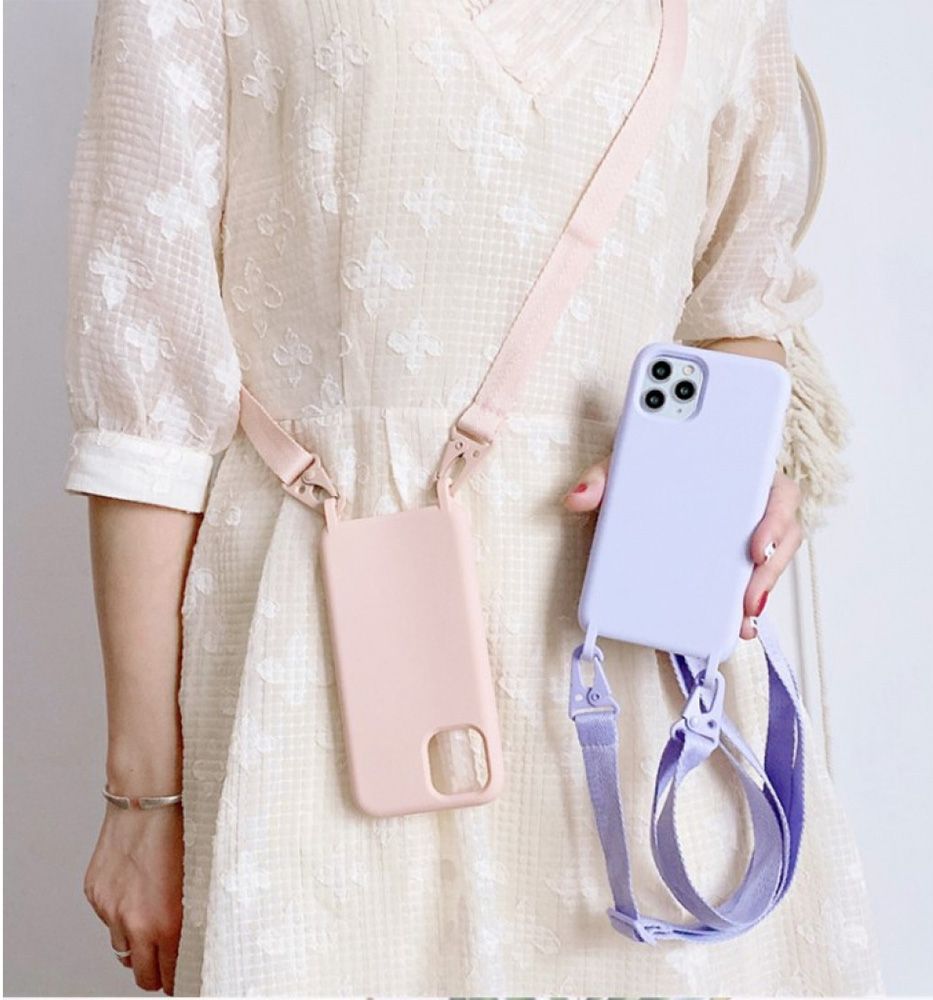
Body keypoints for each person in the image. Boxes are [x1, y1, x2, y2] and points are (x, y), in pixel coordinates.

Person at [64, 0, 884, 995]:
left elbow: (737, 308)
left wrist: (715, 469)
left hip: (632, 676)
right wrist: (141, 801)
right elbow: (147, 407)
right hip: (321, 658)